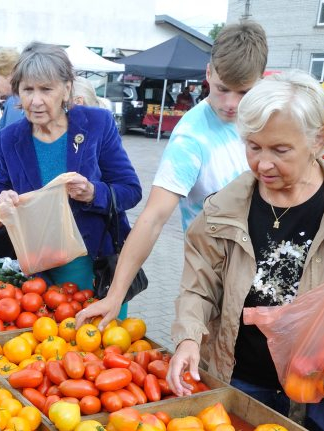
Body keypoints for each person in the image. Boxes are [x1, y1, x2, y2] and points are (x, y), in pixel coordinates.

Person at [166, 70, 324, 414]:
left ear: (317, 137)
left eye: (280, 149)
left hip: (321, 385)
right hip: (241, 377)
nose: (263, 163)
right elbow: (198, 286)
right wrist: (188, 338)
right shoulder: (224, 206)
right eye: (253, 147)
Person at [77, 20, 268, 327]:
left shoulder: (270, 119)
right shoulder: (192, 138)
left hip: (273, 274)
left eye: (243, 92)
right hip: (215, 285)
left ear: (261, 81)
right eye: (222, 89)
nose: (231, 104)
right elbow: (153, 217)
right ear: (208, 73)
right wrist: (115, 294)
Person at [0, 42, 142, 297]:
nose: (35, 101)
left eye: (46, 89)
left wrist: (93, 193)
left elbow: (130, 190)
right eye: (27, 90)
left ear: (66, 88)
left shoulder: (96, 124)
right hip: (38, 273)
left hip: (96, 267)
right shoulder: (9, 138)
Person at [0, 47, 23, 258]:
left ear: (11, 76)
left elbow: (12, 156)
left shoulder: (15, 105)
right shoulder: (12, 104)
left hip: (8, 195)